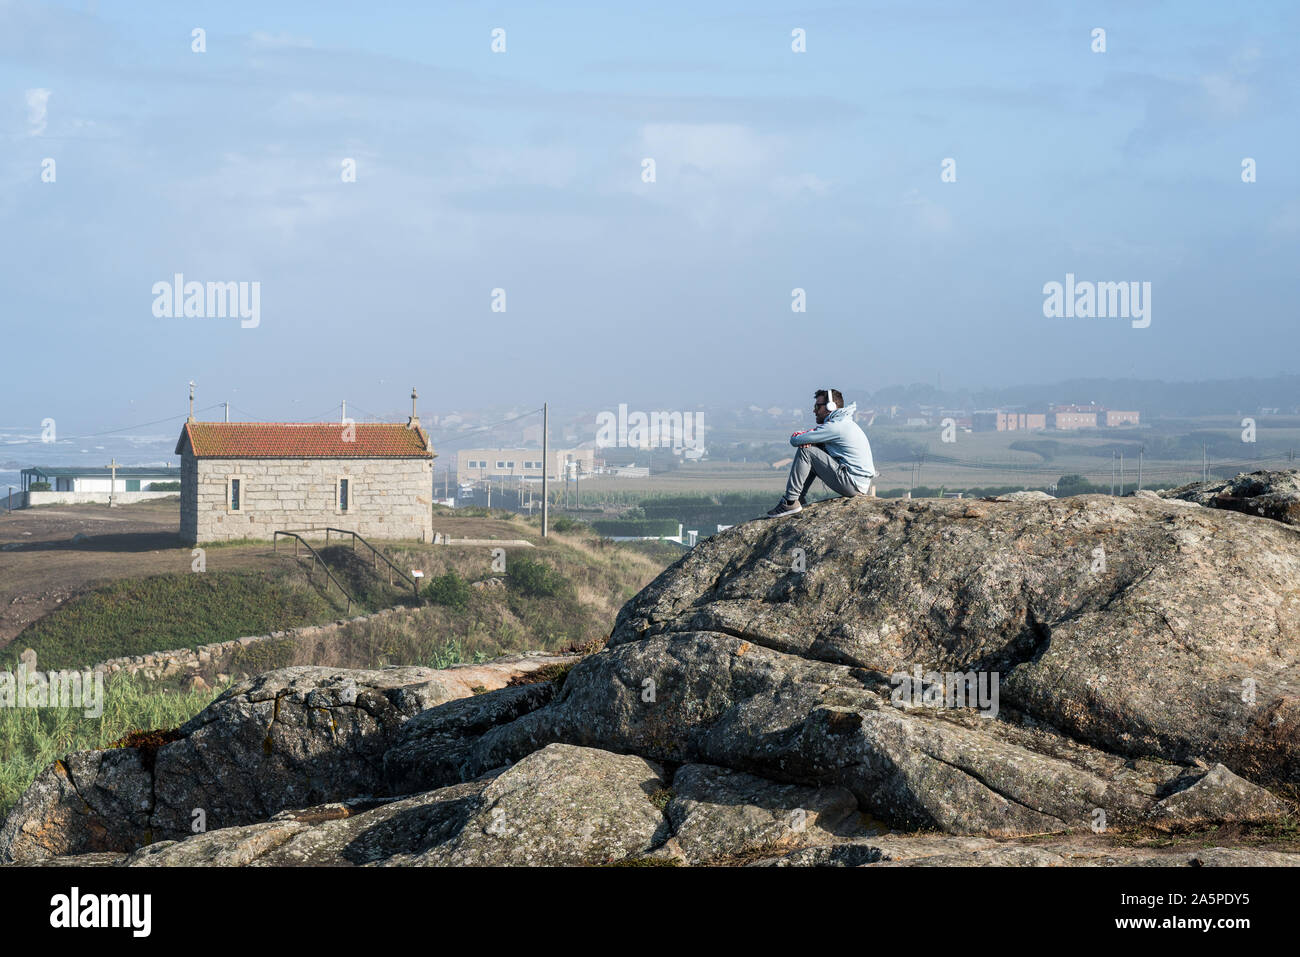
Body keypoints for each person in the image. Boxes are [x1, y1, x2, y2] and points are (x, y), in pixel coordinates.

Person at [765, 389, 875, 517]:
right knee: (812, 449)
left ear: (830, 407)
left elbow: (796, 440)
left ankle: (790, 501)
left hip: (852, 483)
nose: (814, 410)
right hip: (857, 483)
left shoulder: (835, 426)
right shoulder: (844, 423)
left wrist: (806, 439)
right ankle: (799, 498)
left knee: (806, 451)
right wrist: (813, 443)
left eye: (817, 406)